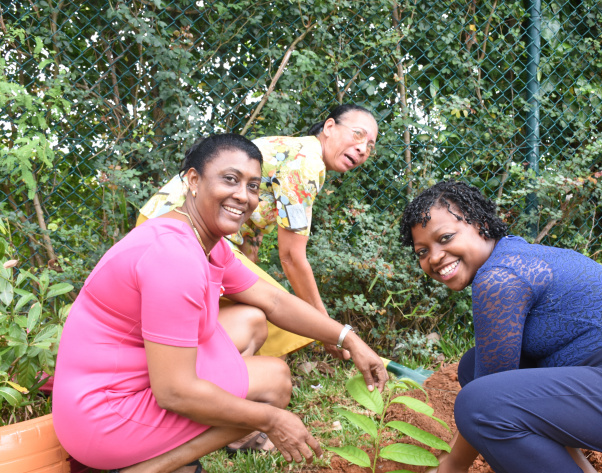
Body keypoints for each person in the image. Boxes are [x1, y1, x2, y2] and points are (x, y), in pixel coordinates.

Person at [52, 134, 387, 473]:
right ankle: (150, 467)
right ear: (193, 180)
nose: (243, 196)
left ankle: (184, 432)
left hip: (124, 378)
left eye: (254, 186)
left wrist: (348, 337)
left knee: (251, 319)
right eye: (230, 179)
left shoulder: (203, 240)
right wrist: (271, 419)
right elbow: (173, 392)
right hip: (101, 419)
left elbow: (273, 300)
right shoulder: (174, 258)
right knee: (273, 383)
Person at [399, 180, 602, 473]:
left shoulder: (500, 277)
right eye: (422, 252)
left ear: (479, 224)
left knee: (479, 405)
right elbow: (494, 377)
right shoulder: (514, 256)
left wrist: (453, 464)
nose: (435, 257)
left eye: (445, 238)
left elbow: (482, 407)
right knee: (474, 366)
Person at [137, 104, 378, 360]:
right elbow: (292, 258)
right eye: (358, 134)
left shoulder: (295, 151)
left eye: (370, 147)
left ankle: (201, 373)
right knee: (282, 317)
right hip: (179, 232)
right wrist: (329, 329)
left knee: (255, 307)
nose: (363, 149)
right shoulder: (305, 163)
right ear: (329, 127)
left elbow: (251, 228)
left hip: (155, 219)